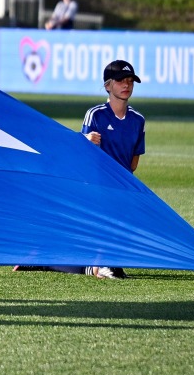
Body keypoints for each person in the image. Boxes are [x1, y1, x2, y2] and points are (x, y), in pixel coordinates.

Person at [15, 59, 143, 279]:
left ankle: (49, 260)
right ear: (108, 86)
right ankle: (93, 265)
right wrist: (85, 139)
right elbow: (80, 152)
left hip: (121, 188)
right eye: (121, 80)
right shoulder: (96, 115)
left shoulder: (138, 120)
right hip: (95, 187)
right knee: (95, 237)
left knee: (118, 235)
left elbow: (133, 161)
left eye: (131, 81)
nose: (127, 85)